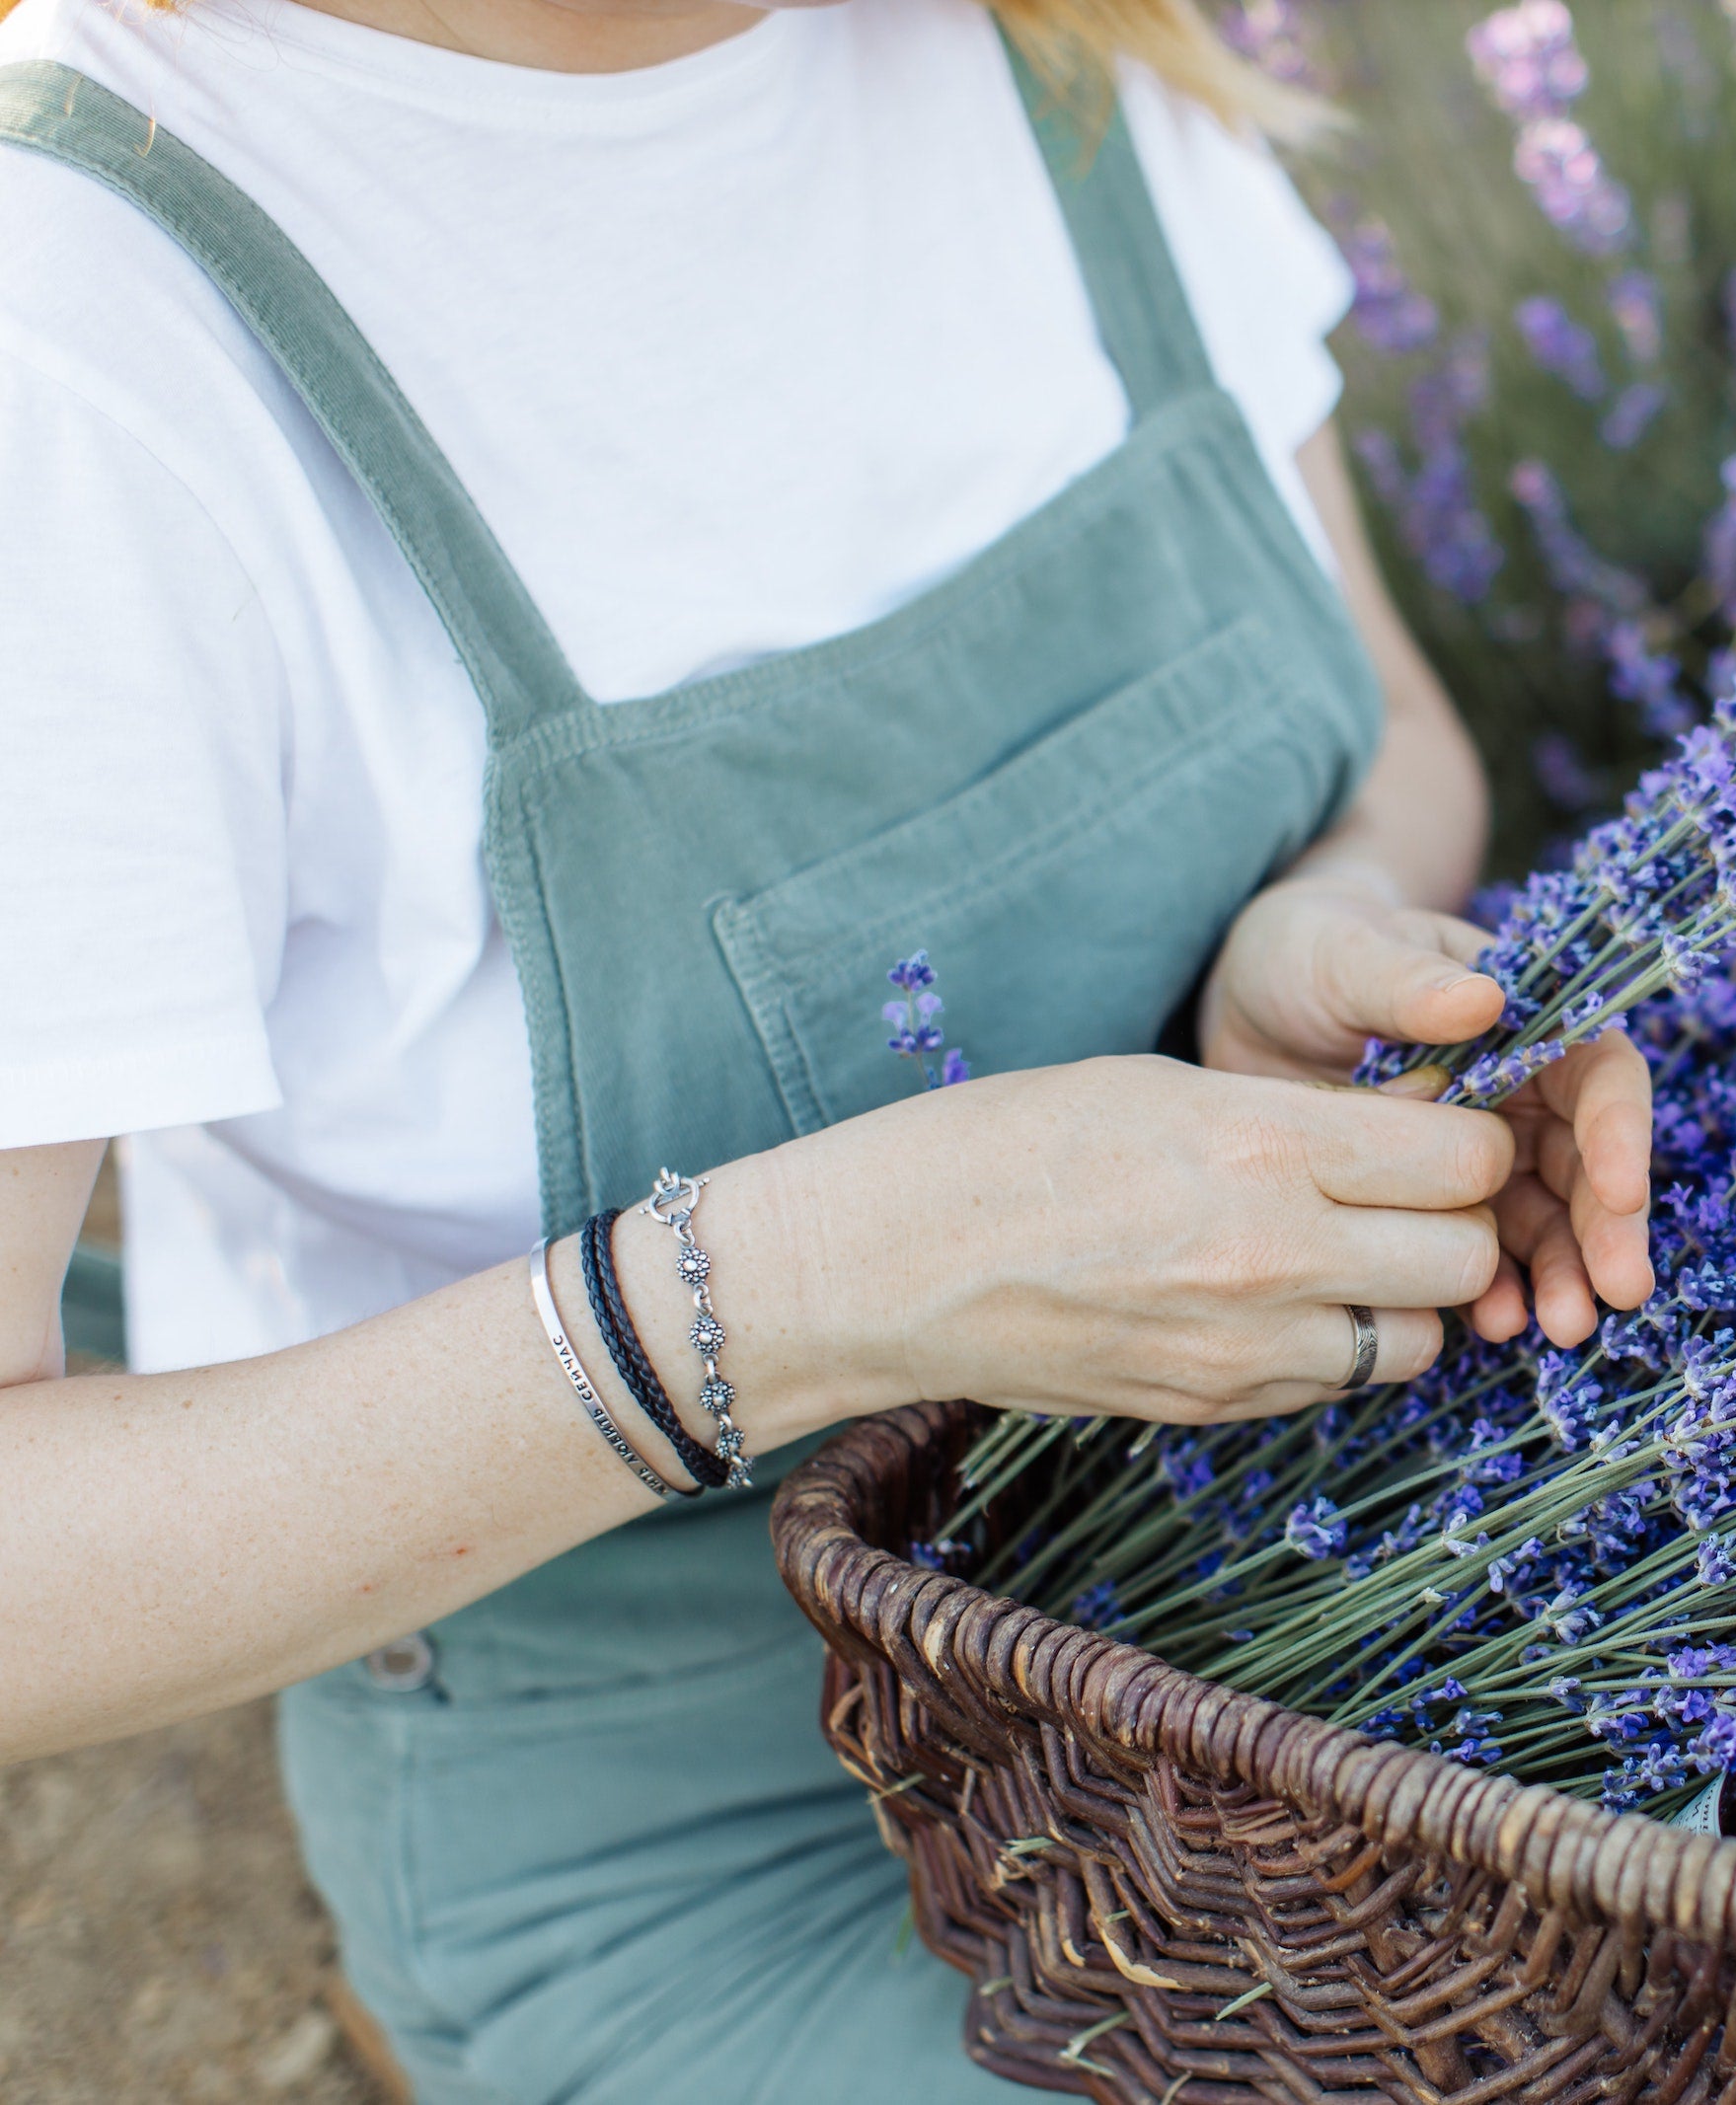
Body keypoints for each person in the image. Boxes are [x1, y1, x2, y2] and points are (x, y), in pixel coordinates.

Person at [0, 0, 1652, 2095]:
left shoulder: (1043, 43)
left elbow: (1394, 729)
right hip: (707, 1780)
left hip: (1294, 1553)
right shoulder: (74, 332)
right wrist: (799, 1293)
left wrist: (1305, 935)